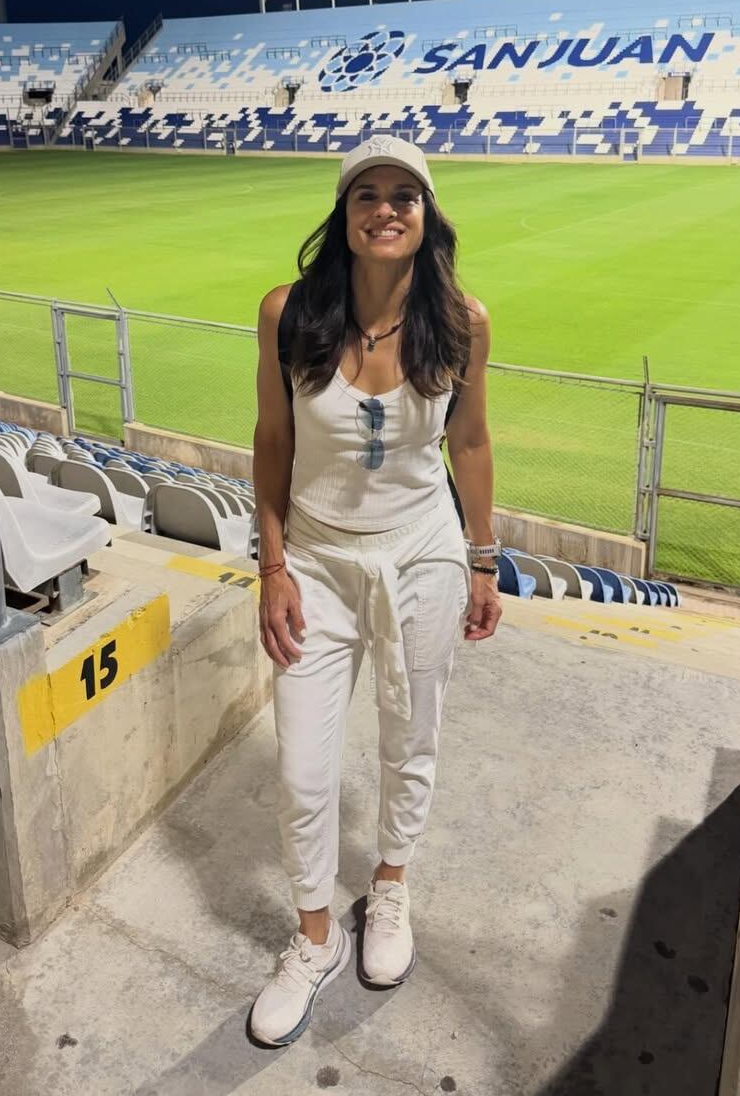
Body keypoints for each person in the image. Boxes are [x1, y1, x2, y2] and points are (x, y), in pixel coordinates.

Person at [248, 133, 503, 1047]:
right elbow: (272, 442)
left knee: (411, 737)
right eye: (368, 194)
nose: (386, 208)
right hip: (314, 556)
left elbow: (467, 445)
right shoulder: (288, 312)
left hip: (424, 551)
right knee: (303, 768)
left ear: (427, 216)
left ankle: (389, 887)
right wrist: (272, 567)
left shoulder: (462, 320)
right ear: (344, 215)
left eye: (405, 194)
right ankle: (313, 936)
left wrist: (482, 558)